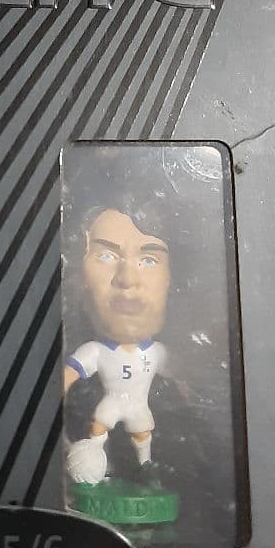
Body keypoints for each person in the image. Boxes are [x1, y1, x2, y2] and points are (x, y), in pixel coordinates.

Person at [64, 200, 172, 487]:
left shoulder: (157, 353)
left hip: (137, 406)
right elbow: (67, 376)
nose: (127, 279)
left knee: (142, 434)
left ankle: (146, 465)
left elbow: (184, 379)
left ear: (172, 278)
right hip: (111, 402)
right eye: (106, 256)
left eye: (148, 260)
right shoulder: (97, 351)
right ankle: (97, 461)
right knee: (99, 428)